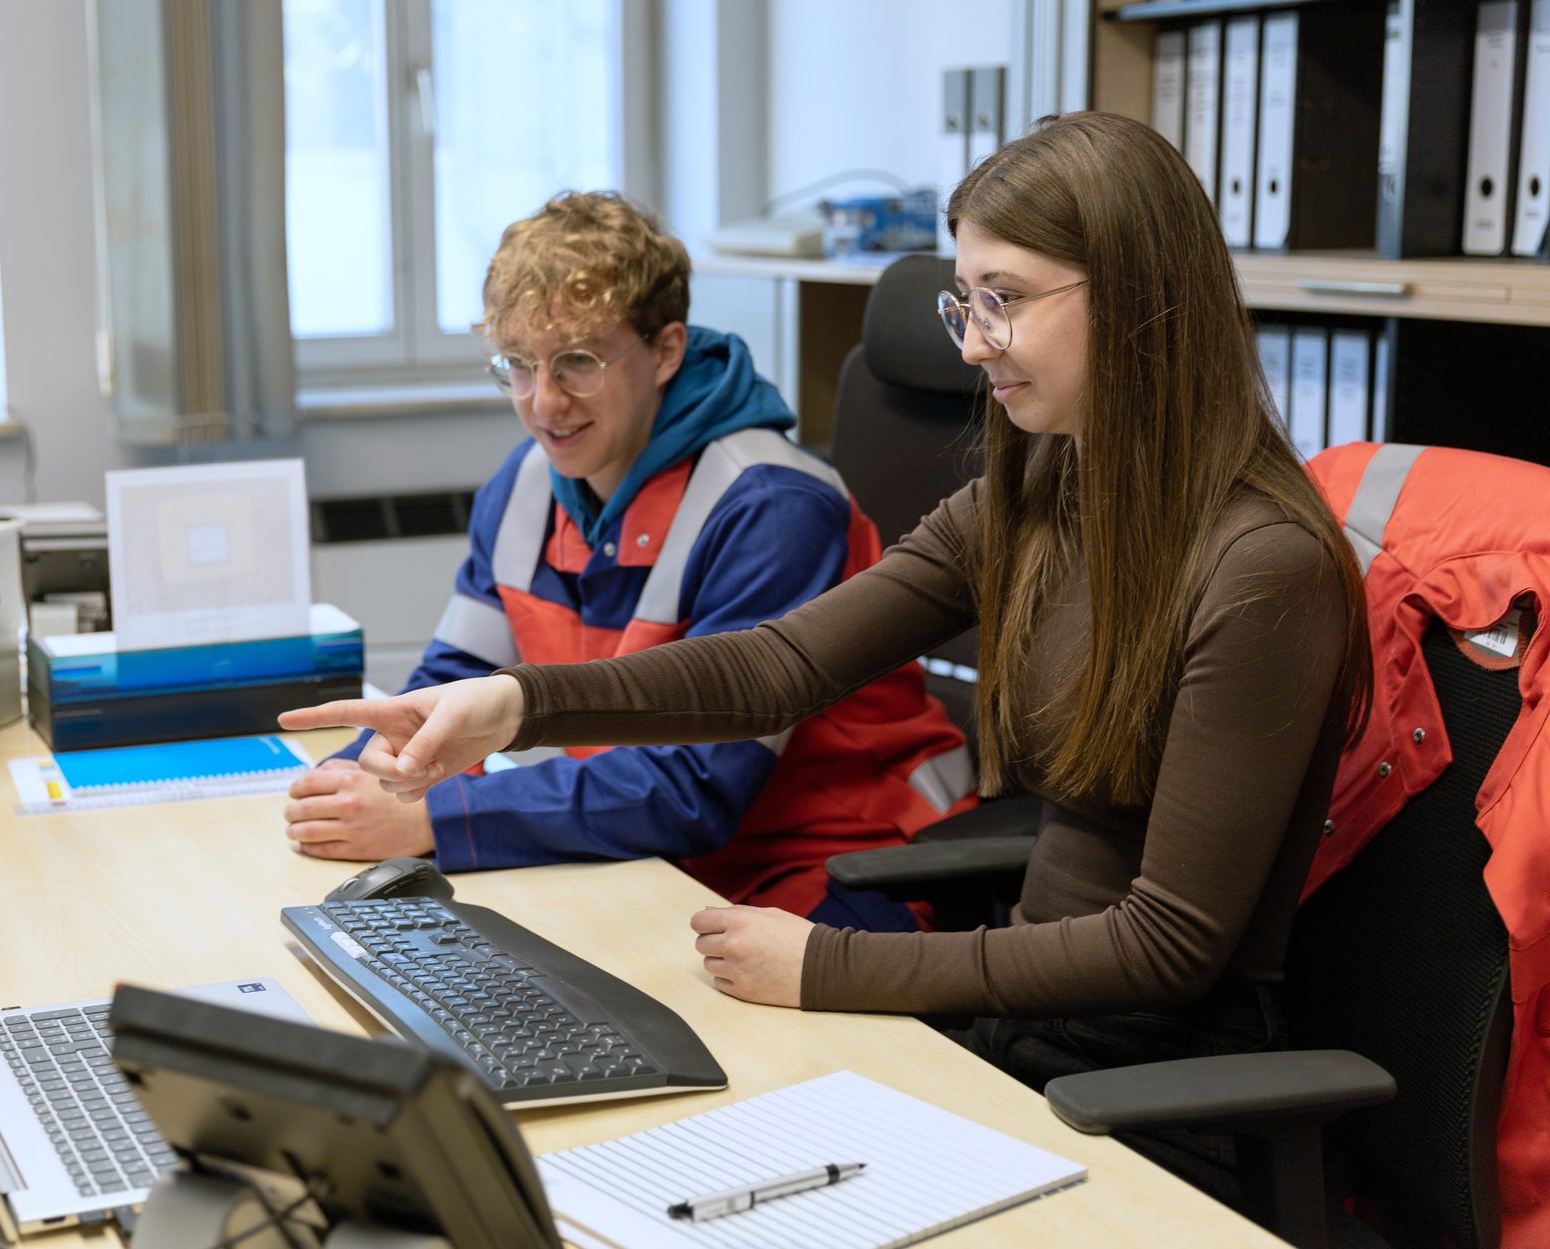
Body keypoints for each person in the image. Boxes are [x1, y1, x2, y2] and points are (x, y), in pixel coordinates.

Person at [283, 117, 1373, 1202]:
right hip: (1027, 1037)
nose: (972, 341)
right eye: (965, 301)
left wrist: (825, 965)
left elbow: (1167, 944)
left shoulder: (1262, 563)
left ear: (1137, 296)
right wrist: (514, 704)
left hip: (1154, 1095)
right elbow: (771, 667)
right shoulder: (1039, 498)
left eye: (1006, 298)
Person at [281, 190, 973, 931]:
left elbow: (696, 786)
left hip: (849, 861)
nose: (544, 403)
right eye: (518, 364)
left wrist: (435, 820)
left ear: (667, 349)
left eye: (578, 362)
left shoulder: (771, 505)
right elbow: (454, 683)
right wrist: (368, 775)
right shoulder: (523, 485)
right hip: (660, 857)